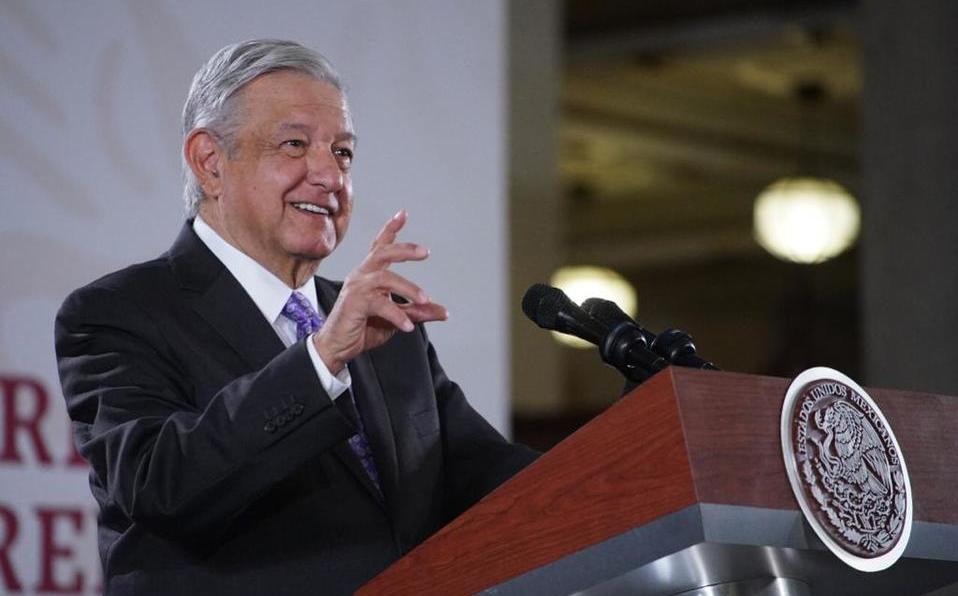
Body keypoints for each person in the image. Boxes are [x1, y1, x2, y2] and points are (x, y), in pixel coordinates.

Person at [55, 39, 537, 596]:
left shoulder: (385, 326)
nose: (330, 175)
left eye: (343, 152)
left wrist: (621, 462)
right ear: (210, 162)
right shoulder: (116, 314)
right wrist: (321, 358)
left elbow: (490, 479)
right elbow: (160, 483)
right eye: (294, 144)